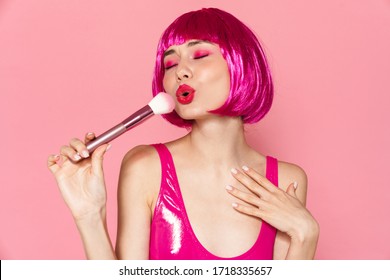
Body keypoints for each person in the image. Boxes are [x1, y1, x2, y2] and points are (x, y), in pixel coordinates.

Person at [47, 7, 319, 260]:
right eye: (170, 64)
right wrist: (89, 215)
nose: (180, 72)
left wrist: (306, 235)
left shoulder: (286, 180)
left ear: (242, 64)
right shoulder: (144, 167)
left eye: (199, 56)